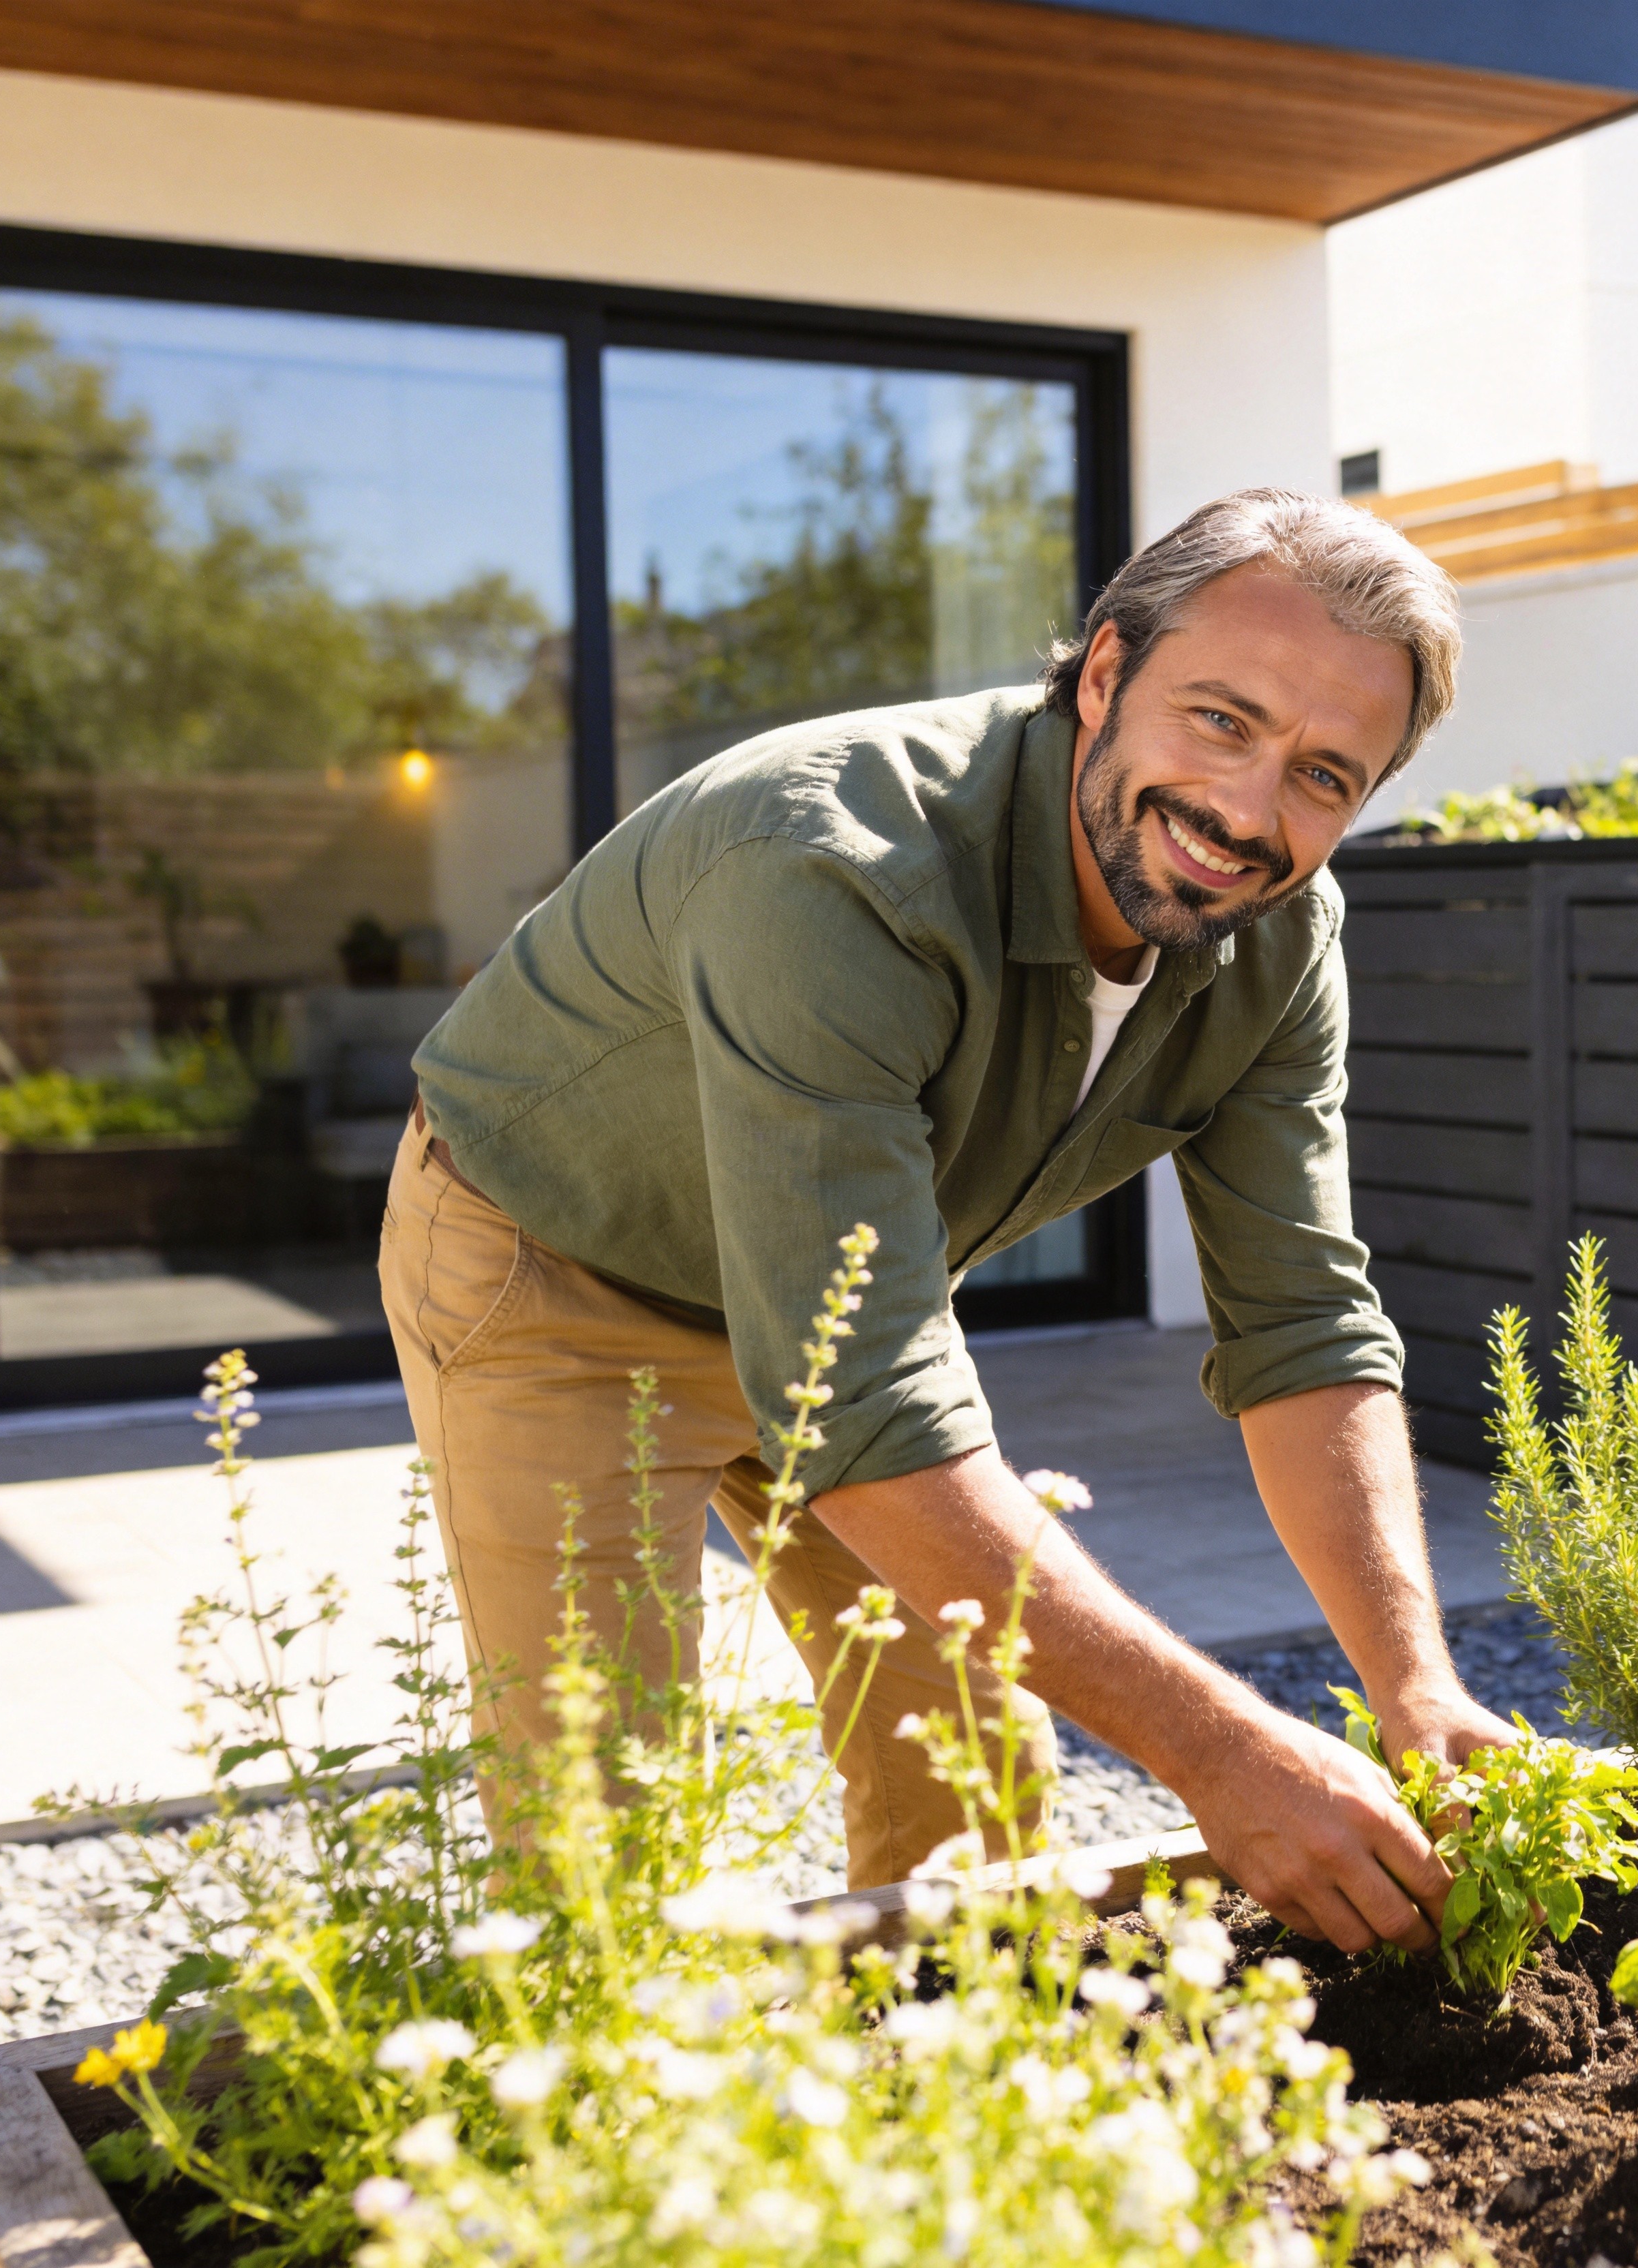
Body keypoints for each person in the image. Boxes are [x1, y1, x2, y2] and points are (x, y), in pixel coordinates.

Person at [382, 489, 1506, 1955]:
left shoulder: (1278, 938)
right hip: (559, 1269)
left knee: (977, 1786)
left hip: (847, 1281)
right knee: (612, 1825)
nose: (1249, 810)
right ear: (1104, 673)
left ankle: (940, 2130)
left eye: (1324, 773)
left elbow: (1302, 1320)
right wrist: (1225, 1752)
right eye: (1221, 721)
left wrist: (1416, 1684)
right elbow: (865, 1411)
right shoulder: (833, 863)